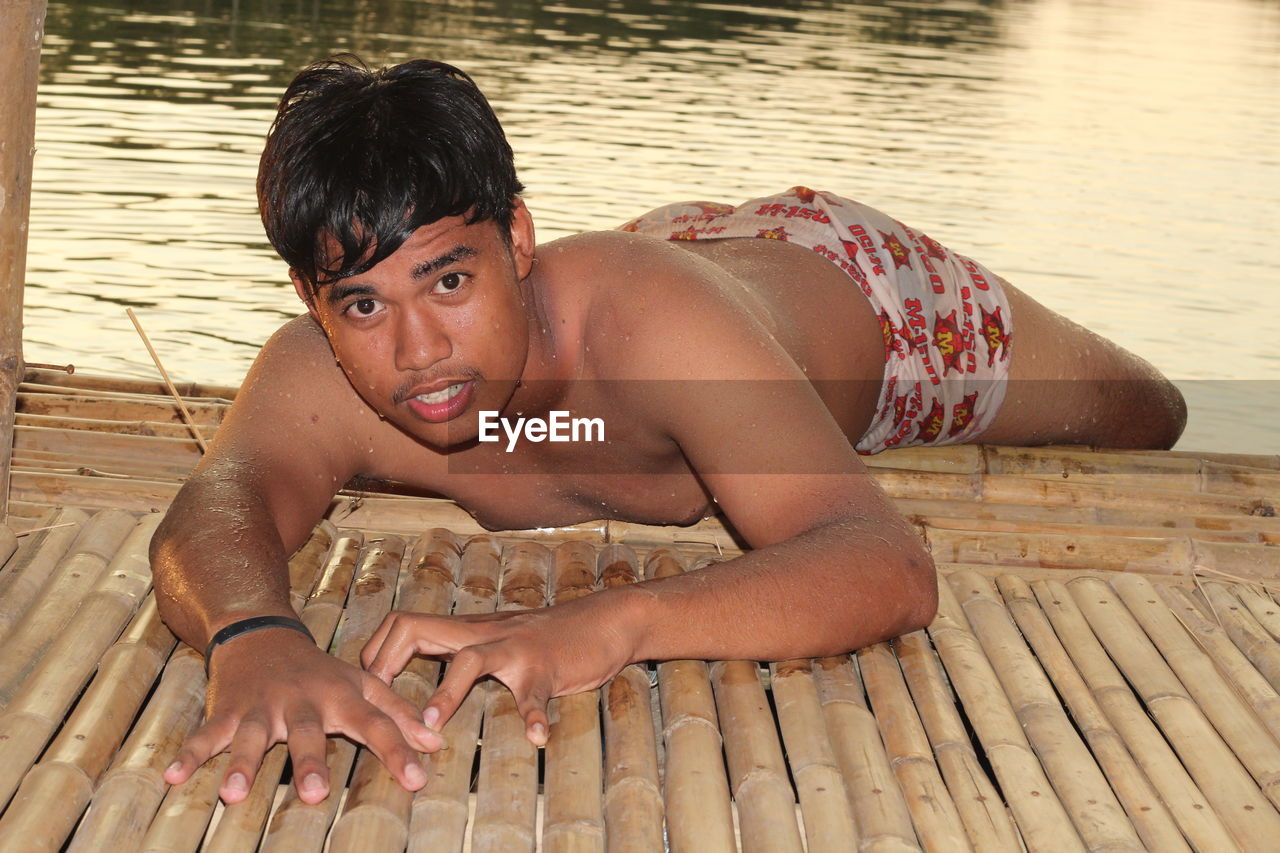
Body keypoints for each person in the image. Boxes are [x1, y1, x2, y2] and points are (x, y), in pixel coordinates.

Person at [152, 55, 1186, 806]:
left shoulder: (656, 331)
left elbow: (884, 564)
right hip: (677, 259)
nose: (418, 350)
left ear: (516, 240)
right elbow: (221, 498)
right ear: (311, 298)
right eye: (364, 306)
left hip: (862, 296)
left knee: (1147, 413)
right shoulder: (319, 371)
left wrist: (607, 622)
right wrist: (254, 634)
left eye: (450, 280)